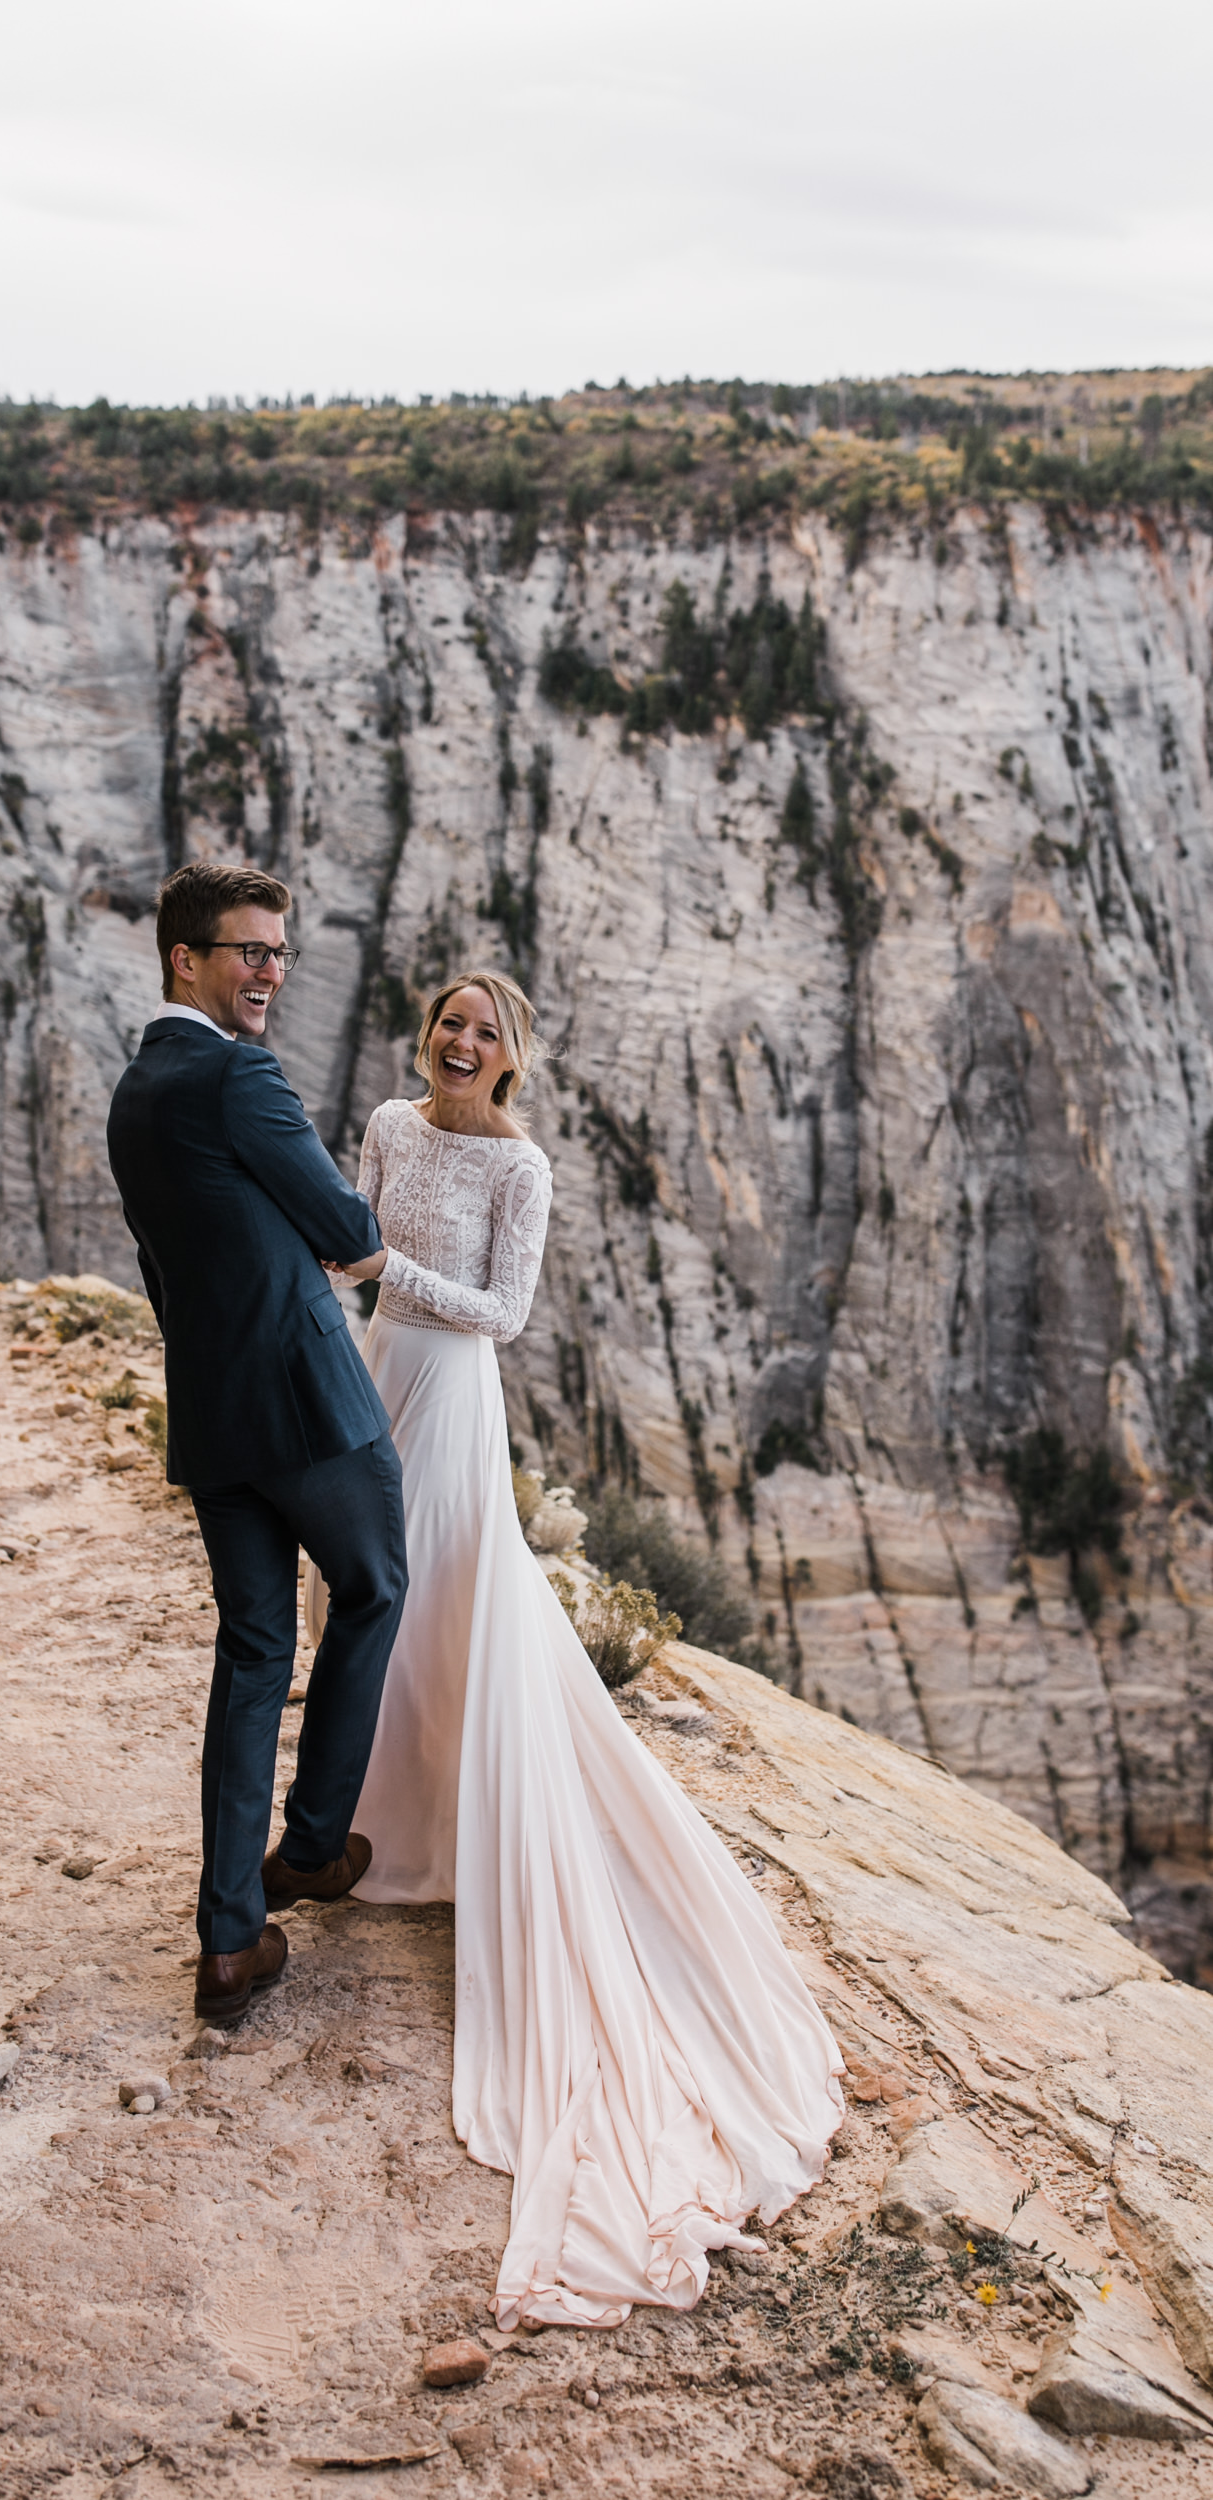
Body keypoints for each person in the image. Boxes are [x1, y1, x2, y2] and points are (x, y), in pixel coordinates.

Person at [313, 967, 844, 2330]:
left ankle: (436, 1833)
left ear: (509, 1056)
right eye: (447, 1020)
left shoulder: (522, 1165)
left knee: (439, 1604)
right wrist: (336, 1285)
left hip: (450, 1394)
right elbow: (339, 1239)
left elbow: (502, 1316)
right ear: (425, 1035)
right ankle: (369, 1826)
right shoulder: (382, 1123)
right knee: (372, 1604)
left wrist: (387, 1271)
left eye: (484, 1031)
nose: (460, 1041)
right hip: (370, 1377)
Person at [106, 861, 407, 2027]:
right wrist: (327, 1226)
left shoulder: (139, 1089)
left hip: (215, 1413)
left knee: (249, 1656)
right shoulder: (238, 1074)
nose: (271, 971)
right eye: (249, 950)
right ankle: (316, 1844)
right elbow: (344, 1224)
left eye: (280, 951)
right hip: (308, 1403)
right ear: (187, 957)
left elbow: (161, 1266)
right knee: (377, 1585)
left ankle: (229, 1940)